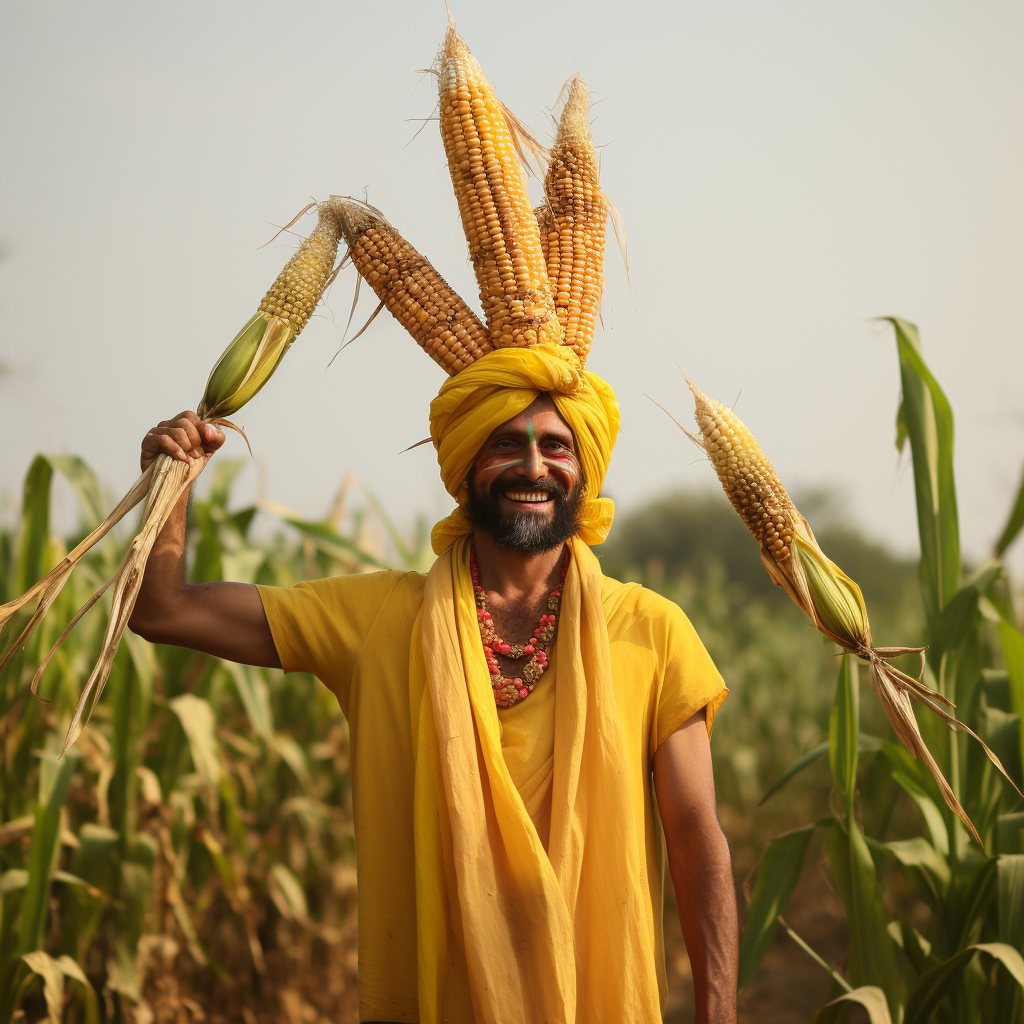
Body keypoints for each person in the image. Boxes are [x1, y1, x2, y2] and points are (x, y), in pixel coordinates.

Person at [129, 342, 738, 1024]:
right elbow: (163, 609)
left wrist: (718, 1014)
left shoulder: (651, 631)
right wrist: (173, 481)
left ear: (583, 468)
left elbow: (693, 832)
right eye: (507, 443)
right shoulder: (377, 618)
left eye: (557, 447)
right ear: (468, 464)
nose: (534, 466)